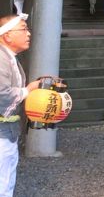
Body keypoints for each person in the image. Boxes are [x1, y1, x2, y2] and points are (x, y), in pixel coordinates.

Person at [0, 13, 41, 196]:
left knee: (6, 178)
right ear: (7, 35)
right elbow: (1, 93)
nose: (29, 33)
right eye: (24, 29)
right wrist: (27, 91)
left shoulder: (8, 57)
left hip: (7, 130)